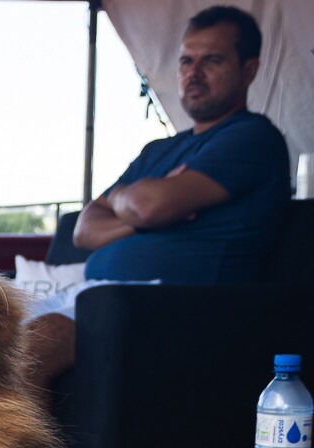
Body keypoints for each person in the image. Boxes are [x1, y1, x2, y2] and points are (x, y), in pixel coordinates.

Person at [26, 4, 290, 393]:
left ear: (249, 68)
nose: (192, 73)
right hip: (101, 292)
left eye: (211, 60)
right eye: (186, 61)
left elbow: (148, 205)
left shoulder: (251, 137)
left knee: (32, 346)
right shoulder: (158, 152)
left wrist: (142, 206)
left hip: (176, 304)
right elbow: (84, 231)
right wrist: (137, 205)